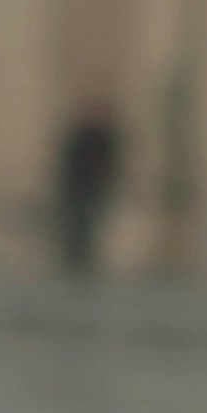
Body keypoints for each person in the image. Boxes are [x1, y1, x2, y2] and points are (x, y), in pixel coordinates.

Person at [51, 99, 122, 279]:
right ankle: (75, 259)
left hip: (90, 188)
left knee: (86, 225)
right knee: (79, 223)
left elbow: (109, 164)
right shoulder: (87, 136)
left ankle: (80, 259)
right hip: (82, 188)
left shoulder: (101, 137)